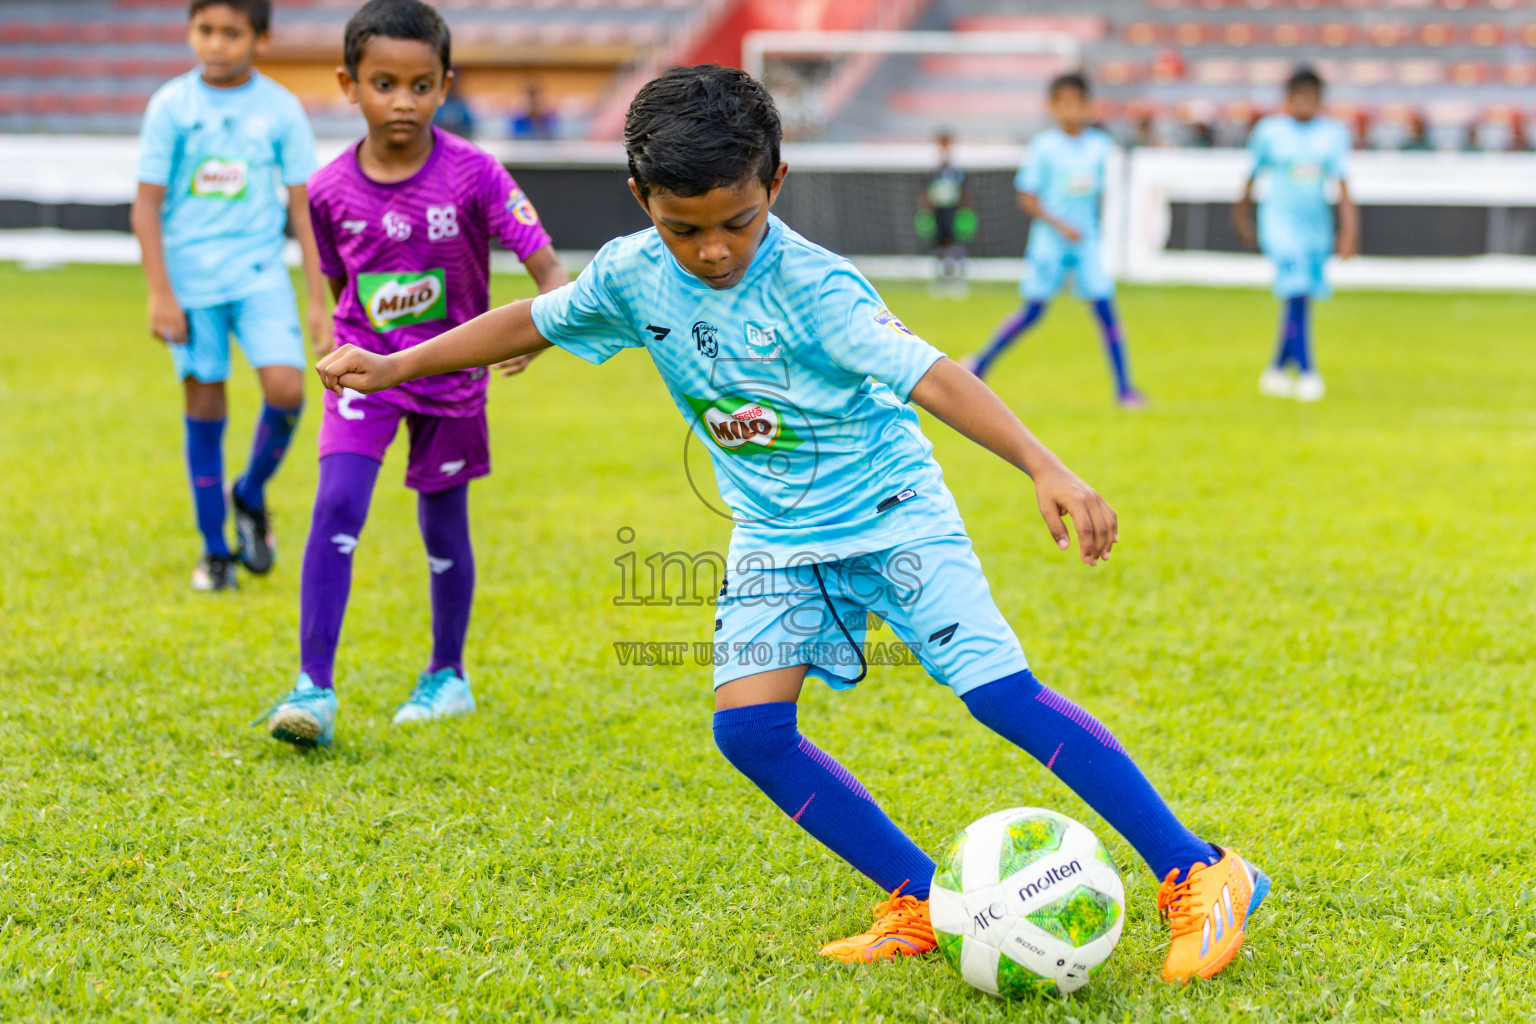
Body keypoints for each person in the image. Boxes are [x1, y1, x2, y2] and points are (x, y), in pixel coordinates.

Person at [314, 64, 1270, 983]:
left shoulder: (818, 289)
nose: (716, 250)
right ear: (642, 194)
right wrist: (397, 365)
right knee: (752, 732)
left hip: (892, 513)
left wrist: (1045, 465)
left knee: (996, 692)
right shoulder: (632, 276)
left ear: (776, 181)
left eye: (739, 220)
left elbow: (934, 376)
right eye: (686, 229)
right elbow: (535, 318)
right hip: (776, 535)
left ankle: (1200, 870)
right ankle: (921, 903)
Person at [253, 0, 569, 746]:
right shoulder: (329, 190)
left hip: (454, 380)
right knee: (336, 506)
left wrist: (542, 334)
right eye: (385, 83)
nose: (404, 101)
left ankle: (447, 675)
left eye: (422, 85)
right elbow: (339, 288)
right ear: (348, 83)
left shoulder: (477, 173)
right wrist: (332, 331)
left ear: (445, 84)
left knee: (443, 524)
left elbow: (553, 274)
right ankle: (313, 689)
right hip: (366, 374)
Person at [131, 0, 330, 590]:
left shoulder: (280, 109)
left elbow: (303, 208)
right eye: (205, 31)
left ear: (260, 39)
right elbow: (145, 204)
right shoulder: (172, 105)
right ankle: (215, 552)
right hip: (190, 283)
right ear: (191, 33)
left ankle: (248, 493)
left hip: (258, 274)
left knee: (288, 389)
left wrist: (319, 300)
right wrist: (159, 292)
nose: (216, 44)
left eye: (231, 33)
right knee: (205, 405)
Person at [961, 73, 1145, 408]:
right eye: (1063, 104)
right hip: (1051, 243)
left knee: (1106, 309)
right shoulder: (1044, 147)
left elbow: (1099, 194)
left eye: (1077, 104)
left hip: (1085, 243)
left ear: (1088, 107)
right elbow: (1027, 197)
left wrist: (1089, 227)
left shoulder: (1099, 146)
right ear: (1052, 107)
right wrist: (1060, 225)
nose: (1071, 111)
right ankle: (980, 364)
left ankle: (1125, 389)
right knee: (1033, 312)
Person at [1234, 67, 1357, 402]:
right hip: (1280, 225)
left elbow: (1343, 184)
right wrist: (1241, 214)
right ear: (1287, 99)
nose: (1304, 103)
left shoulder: (1332, 134)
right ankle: (1306, 371)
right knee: (1298, 292)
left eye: (1311, 96)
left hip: (1315, 230)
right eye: (1298, 96)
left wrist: (1349, 230)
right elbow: (1251, 175)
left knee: (1300, 299)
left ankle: (1276, 369)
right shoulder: (1270, 132)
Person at [915, 131, 974, 299]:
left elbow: (966, 193)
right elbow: (926, 193)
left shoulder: (958, 172)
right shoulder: (933, 172)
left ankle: (958, 280)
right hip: (937, 211)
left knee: (955, 244)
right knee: (938, 245)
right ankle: (940, 279)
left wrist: (965, 212)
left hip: (954, 211)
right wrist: (925, 211)